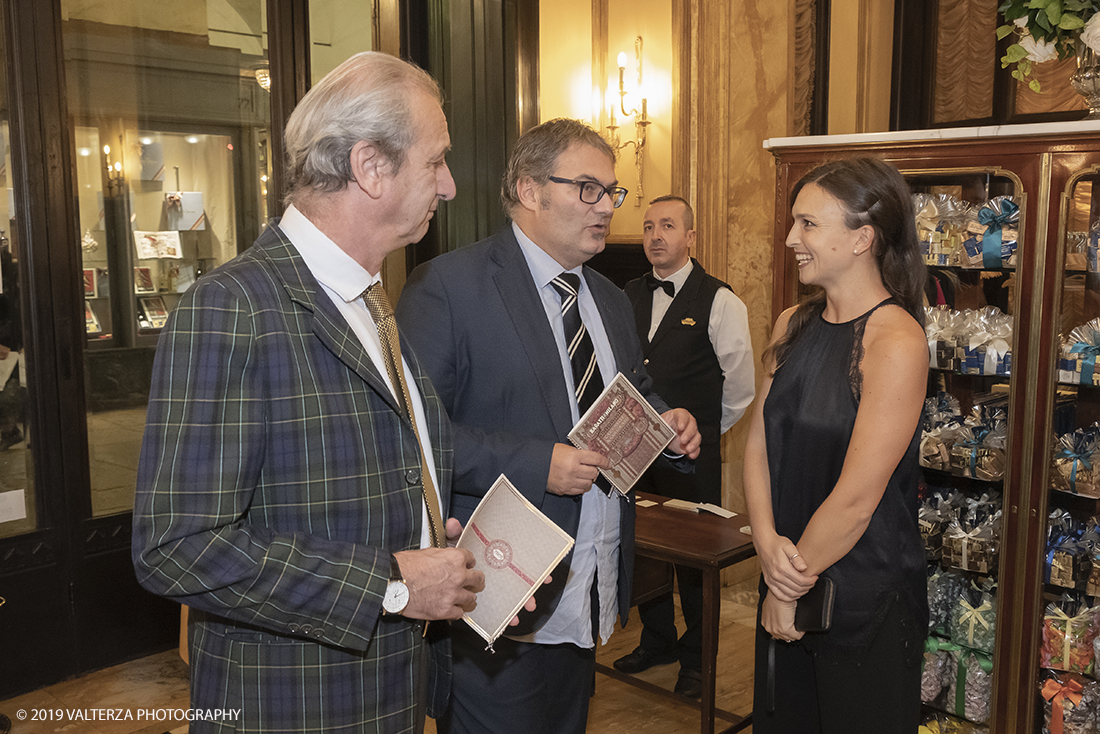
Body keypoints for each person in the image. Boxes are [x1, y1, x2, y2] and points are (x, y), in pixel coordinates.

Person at [132, 52, 487, 734]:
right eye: (434, 160)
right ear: (370, 166)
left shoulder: (370, 298)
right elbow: (175, 547)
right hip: (292, 709)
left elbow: (375, 478)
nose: (447, 186)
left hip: (390, 692)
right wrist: (391, 583)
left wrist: (450, 557)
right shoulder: (232, 307)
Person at [395, 117, 702, 734]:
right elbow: (413, 438)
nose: (606, 207)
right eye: (588, 188)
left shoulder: (610, 300)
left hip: (589, 586)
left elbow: (628, 396)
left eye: (612, 193)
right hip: (501, 593)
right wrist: (541, 463)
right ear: (530, 190)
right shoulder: (449, 288)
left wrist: (669, 424)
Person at [743, 157, 929, 733]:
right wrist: (768, 546)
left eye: (808, 224)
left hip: (860, 599)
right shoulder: (789, 323)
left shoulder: (897, 339)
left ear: (862, 238)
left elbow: (856, 500)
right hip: (786, 570)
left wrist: (785, 583)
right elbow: (756, 447)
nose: (791, 238)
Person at [614, 195, 754, 697]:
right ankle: (658, 639)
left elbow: (739, 388)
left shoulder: (720, 300)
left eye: (668, 226)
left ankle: (697, 659)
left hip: (693, 460)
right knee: (643, 550)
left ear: (690, 237)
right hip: (634, 454)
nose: (656, 235)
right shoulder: (625, 292)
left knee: (696, 566)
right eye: (649, 226)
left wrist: (705, 434)